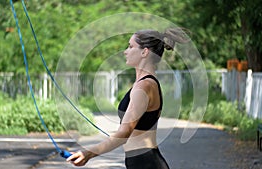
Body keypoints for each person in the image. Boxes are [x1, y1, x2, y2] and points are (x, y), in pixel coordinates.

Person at [67, 28, 188, 169]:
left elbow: (124, 132)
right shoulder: (145, 83)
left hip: (146, 164)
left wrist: (88, 153)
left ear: (145, 52)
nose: (125, 51)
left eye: (131, 46)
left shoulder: (144, 86)